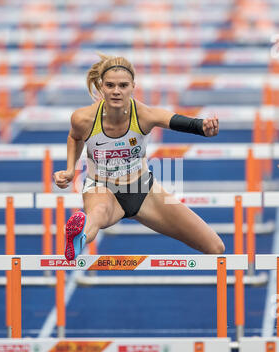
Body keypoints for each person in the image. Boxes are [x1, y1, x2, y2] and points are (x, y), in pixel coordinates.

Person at [53, 53, 225, 261]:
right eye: (110, 85)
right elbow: (75, 136)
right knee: (98, 213)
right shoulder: (84, 118)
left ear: (133, 86)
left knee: (216, 248)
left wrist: (203, 128)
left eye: (123, 86)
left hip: (144, 190)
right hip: (102, 188)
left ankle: (81, 234)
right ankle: (78, 238)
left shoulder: (144, 115)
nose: (116, 91)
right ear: (101, 87)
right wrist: (71, 169)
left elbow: (177, 121)